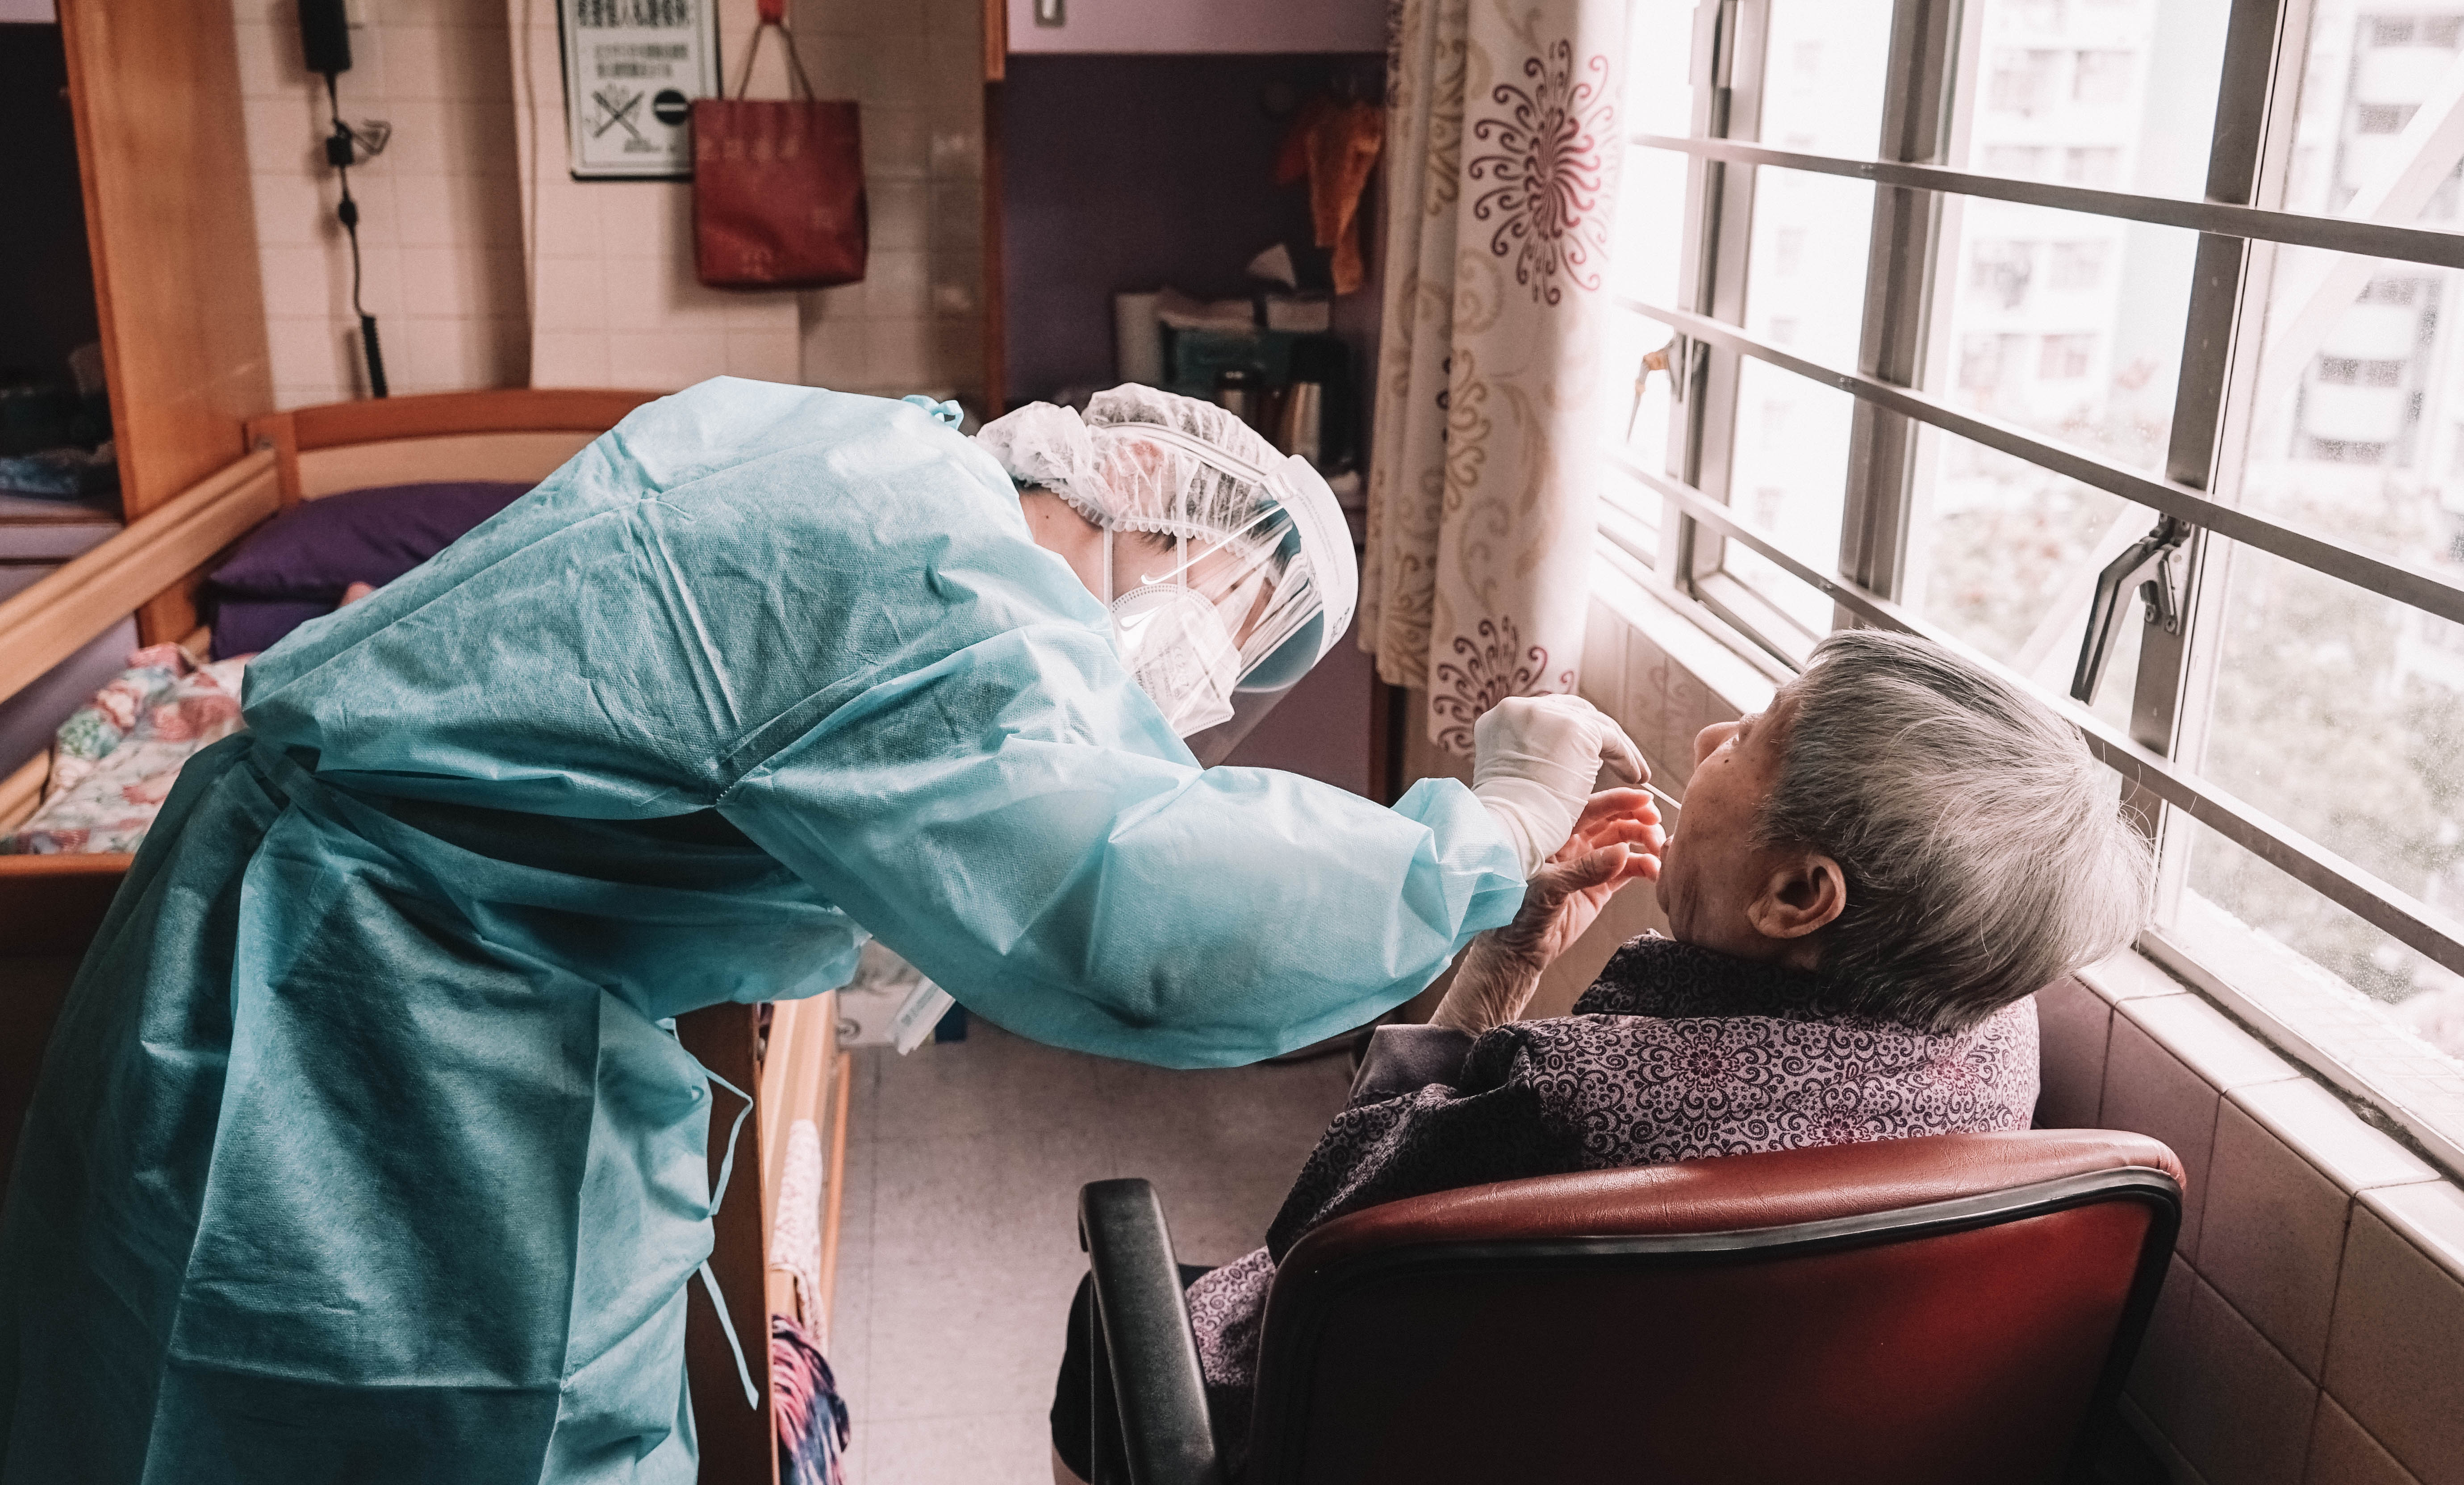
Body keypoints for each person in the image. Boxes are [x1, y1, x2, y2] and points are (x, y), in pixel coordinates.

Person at [0, 378, 1654, 1485]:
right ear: (1139, 472)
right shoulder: (918, 562)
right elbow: (1133, 910)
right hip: (363, 1019)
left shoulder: (843, 452)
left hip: (348, 960)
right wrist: (1480, 837)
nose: (1201, 678)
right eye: (1229, 614)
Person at [1049, 628, 2155, 1483]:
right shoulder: (1998, 1041)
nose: (1707, 741)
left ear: (1796, 896)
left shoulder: (1569, 1097)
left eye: (1752, 734)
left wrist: (1504, 960)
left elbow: (1318, 1236)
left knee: (1111, 1324)